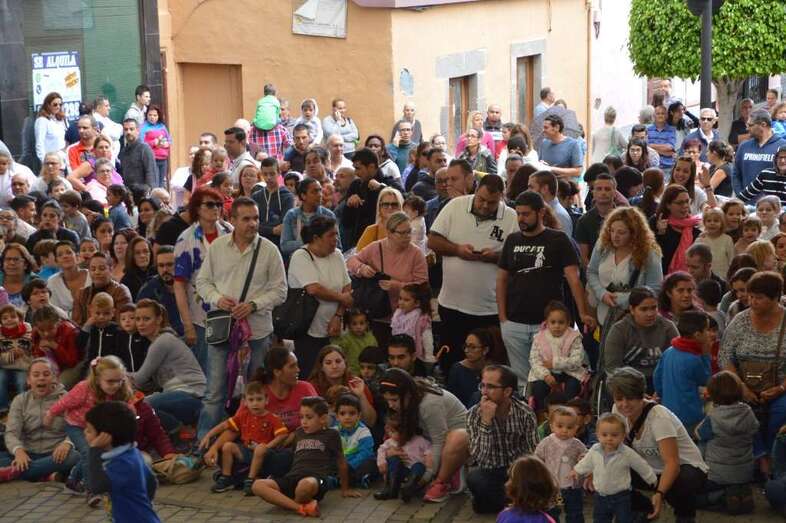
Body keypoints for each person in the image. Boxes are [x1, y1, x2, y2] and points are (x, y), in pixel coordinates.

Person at [194, 197, 287, 438]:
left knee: (257, 390)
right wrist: (218, 299)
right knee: (214, 390)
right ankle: (204, 441)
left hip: (258, 332)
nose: (253, 223)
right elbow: (202, 283)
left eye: (256, 218)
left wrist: (254, 305)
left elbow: (281, 291)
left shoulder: (269, 250)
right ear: (232, 220)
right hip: (222, 329)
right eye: (246, 219)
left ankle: (254, 439)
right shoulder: (217, 248)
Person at [497, 190, 594, 384]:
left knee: (552, 378)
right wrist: (503, 318)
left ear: (541, 212)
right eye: (518, 213)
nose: (521, 218)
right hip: (514, 321)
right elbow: (501, 280)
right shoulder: (512, 239)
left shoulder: (558, 239)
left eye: (526, 214)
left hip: (549, 324)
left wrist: (582, 313)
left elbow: (574, 280)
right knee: (522, 381)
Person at [429, 174, 516, 372]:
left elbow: (517, 257)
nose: (485, 206)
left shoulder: (511, 217)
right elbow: (433, 240)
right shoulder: (455, 206)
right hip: (452, 305)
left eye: (492, 203)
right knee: (451, 362)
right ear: (475, 191)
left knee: (488, 366)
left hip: (489, 309)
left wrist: (495, 257)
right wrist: (457, 250)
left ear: (501, 198)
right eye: (481, 199)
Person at [607, 367, 709, 520]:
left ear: (642, 395)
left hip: (683, 467)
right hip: (651, 467)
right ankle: (642, 509)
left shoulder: (659, 417)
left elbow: (672, 464)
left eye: (631, 398)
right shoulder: (617, 410)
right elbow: (615, 448)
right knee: (610, 471)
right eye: (619, 399)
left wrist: (659, 494)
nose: (625, 404)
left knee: (683, 482)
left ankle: (685, 516)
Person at [45, 355, 134, 503]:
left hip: (96, 428)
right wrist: (50, 414)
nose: (115, 385)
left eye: (119, 380)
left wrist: (130, 416)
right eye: (110, 381)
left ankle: (73, 480)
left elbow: (128, 406)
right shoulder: (84, 388)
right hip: (76, 426)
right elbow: (64, 403)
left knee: (95, 453)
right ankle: (92, 490)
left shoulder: (120, 390)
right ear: (98, 379)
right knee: (89, 451)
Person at [251, 396, 358, 517]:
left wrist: (345, 489)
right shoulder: (299, 433)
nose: (304, 421)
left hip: (317, 480)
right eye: (301, 417)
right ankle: (300, 507)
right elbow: (290, 453)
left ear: (323, 419)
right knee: (257, 485)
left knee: (304, 486)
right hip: (293, 477)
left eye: (309, 417)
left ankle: (287, 503)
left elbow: (341, 461)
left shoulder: (331, 434)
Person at [378, 368, 468, 504]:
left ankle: (442, 480)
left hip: (456, 440)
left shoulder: (429, 403)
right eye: (387, 400)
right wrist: (392, 450)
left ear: (408, 394)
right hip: (431, 439)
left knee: (454, 440)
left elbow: (438, 440)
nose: (390, 405)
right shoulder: (408, 400)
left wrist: (427, 476)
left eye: (394, 400)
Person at [720, 271, 786, 456]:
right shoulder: (740, 320)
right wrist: (741, 386)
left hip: (781, 387)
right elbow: (725, 356)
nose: (752, 302)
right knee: (737, 411)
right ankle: (758, 457)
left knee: (781, 412)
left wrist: (781, 388)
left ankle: (774, 457)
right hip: (743, 384)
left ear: (775, 298)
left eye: (759, 298)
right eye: (751, 296)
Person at [464, 364, 537, 513]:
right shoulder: (473, 414)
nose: (484, 392)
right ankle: (512, 503)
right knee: (475, 479)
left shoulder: (525, 412)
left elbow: (533, 451)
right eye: (482, 385)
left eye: (490, 387)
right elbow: (480, 458)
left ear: (507, 391)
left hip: (518, 470)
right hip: (491, 470)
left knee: (533, 482)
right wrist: (486, 422)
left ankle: (507, 502)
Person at [173, 187, 232, 372]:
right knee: (208, 371)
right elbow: (179, 285)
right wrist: (187, 324)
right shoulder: (186, 239)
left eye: (219, 204)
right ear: (197, 208)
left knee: (231, 370)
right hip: (201, 316)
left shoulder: (230, 231)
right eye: (210, 204)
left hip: (231, 311)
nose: (216, 208)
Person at [348, 212, 428, 346]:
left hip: (405, 317)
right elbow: (351, 261)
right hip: (376, 311)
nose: (407, 237)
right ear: (390, 233)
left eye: (409, 232)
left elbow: (423, 285)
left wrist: (397, 286)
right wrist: (362, 268)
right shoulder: (376, 247)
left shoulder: (416, 254)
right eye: (402, 233)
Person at [288, 217, 352, 378]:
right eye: (331, 235)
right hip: (307, 329)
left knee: (335, 374)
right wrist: (341, 298)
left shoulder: (337, 255)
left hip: (335, 327)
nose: (336, 239)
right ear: (316, 238)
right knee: (311, 375)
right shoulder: (300, 256)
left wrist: (338, 315)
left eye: (336, 234)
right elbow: (314, 289)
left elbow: (347, 287)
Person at [129, 299, 204, 434]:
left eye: (146, 319)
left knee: (142, 406)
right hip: (180, 395)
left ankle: (182, 433)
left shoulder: (163, 341)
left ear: (159, 320)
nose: (140, 324)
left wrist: (118, 373)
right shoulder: (159, 341)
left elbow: (139, 379)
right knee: (140, 406)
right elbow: (147, 383)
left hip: (193, 396)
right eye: (138, 319)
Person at [201, 380, 288, 494]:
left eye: (259, 399)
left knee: (260, 449)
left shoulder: (272, 418)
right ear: (245, 402)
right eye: (251, 400)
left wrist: (267, 446)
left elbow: (283, 434)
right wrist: (208, 435)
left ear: (266, 400)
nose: (255, 403)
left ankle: (250, 480)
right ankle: (227, 477)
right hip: (246, 451)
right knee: (228, 446)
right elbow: (224, 425)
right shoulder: (243, 416)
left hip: (265, 455)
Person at [0, 358, 78, 482]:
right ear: (28, 380)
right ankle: (44, 474)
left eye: (46, 374)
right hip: (27, 454)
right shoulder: (20, 400)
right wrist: (18, 451)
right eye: (36, 375)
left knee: (74, 457)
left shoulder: (67, 398)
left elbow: (78, 427)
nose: (41, 378)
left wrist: (67, 443)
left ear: (54, 378)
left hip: (55, 455)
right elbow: (11, 433)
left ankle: (16, 472)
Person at [571, 412, 657, 523]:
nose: (609, 438)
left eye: (614, 435)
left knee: (624, 519)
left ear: (623, 435)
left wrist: (651, 477)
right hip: (600, 495)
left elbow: (640, 464)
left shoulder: (626, 453)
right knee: (600, 519)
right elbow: (586, 462)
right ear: (597, 435)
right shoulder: (595, 449)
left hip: (621, 496)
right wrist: (577, 470)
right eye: (604, 435)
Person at [84, 401, 161, 523]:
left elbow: (97, 486)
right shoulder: (132, 453)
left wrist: (94, 451)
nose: (84, 433)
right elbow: (151, 482)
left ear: (105, 436)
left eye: (89, 430)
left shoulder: (122, 463)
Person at [587, 206, 663, 326]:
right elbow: (592, 271)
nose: (615, 236)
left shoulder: (649, 253)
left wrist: (622, 300)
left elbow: (655, 287)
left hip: (632, 318)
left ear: (634, 234)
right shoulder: (603, 244)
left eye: (621, 232)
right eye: (611, 230)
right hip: (603, 314)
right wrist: (602, 293)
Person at [695, 371, 759, 509]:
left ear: (713, 395)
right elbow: (755, 429)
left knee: (691, 497)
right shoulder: (748, 411)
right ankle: (740, 492)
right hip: (745, 473)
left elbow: (699, 434)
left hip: (717, 475)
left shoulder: (713, 417)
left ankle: (723, 496)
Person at [653, 310, 712, 429]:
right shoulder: (693, 359)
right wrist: (706, 354)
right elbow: (706, 379)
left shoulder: (669, 352)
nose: (709, 334)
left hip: (667, 411)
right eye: (707, 329)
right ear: (697, 334)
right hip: (689, 415)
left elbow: (657, 377)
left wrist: (662, 396)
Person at [527, 301, 587, 414]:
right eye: (553, 322)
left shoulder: (574, 337)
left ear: (568, 323)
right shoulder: (539, 338)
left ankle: (569, 412)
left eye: (561, 322)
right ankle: (542, 412)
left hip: (569, 372)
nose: (557, 326)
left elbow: (577, 361)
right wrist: (545, 375)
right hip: (546, 373)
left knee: (573, 386)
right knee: (539, 387)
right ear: (546, 322)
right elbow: (534, 360)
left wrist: (555, 363)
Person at [533, 406, 587, 523]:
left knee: (575, 512)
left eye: (569, 427)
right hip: (551, 486)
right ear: (552, 426)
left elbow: (586, 458)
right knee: (550, 512)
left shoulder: (577, 444)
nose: (564, 430)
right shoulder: (546, 442)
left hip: (572, 486)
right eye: (560, 426)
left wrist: (582, 459)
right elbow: (537, 458)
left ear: (576, 428)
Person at [374, 413, 432, 501]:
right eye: (391, 432)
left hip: (415, 473)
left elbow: (429, 448)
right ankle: (391, 489)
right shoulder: (390, 442)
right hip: (401, 470)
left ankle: (409, 488)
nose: (391, 434)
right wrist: (381, 462)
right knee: (394, 459)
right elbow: (381, 450)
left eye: (394, 432)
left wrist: (428, 458)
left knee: (418, 466)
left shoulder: (419, 440)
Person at [280, 178, 338, 260]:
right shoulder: (292, 215)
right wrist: (312, 241)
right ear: (303, 196)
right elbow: (285, 246)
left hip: (324, 261)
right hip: (299, 261)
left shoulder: (328, 215)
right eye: (314, 192)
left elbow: (338, 246)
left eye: (320, 190)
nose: (320, 195)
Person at [71, 252, 132, 327]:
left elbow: (123, 324)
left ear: (111, 269)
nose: (97, 272)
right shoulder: (81, 294)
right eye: (93, 269)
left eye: (102, 269)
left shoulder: (121, 291)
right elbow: (76, 325)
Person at [734, 109, 786, 194]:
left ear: (763, 125)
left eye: (750, 125)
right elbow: (736, 174)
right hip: (747, 200)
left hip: (773, 201)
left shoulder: (782, 146)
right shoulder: (744, 146)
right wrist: (740, 195)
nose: (747, 128)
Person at [650, 185, 700, 274]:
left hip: (688, 276)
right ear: (668, 205)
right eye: (680, 203)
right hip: (660, 274)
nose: (685, 206)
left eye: (687, 201)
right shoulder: (656, 221)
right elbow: (650, 253)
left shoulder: (696, 225)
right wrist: (660, 234)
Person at [332, 392, 377, 488]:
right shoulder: (333, 431)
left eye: (352, 413)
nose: (347, 417)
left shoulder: (363, 431)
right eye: (342, 413)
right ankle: (343, 479)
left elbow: (365, 453)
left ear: (359, 415)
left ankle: (353, 479)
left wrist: (349, 466)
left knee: (370, 463)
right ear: (337, 416)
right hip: (340, 464)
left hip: (355, 464)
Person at [138, 245, 183, 336]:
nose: (165, 269)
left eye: (169, 265)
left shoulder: (190, 285)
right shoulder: (149, 289)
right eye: (161, 266)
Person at [574, 173, 618, 266]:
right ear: (593, 192)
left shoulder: (625, 218)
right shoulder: (584, 221)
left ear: (615, 193)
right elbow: (583, 257)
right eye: (599, 189)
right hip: (594, 270)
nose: (603, 192)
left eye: (607, 189)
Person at [390, 283, 434, 370]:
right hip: (399, 352)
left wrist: (429, 356)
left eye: (406, 300)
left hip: (415, 357)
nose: (401, 302)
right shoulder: (398, 315)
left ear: (417, 303)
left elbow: (427, 339)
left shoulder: (421, 319)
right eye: (400, 298)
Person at [254, 157, 295, 249]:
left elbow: (284, 226)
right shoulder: (256, 196)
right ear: (261, 174)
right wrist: (272, 230)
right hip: (259, 245)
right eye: (265, 174)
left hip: (280, 246)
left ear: (279, 173)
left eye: (272, 174)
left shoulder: (288, 197)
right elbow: (253, 225)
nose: (268, 178)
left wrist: (262, 227)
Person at [446, 328, 490, 408]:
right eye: (466, 346)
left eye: (472, 347)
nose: (466, 350)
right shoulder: (457, 369)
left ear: (485, 350)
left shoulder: (492, 370)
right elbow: (450, 400)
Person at [354, 187, 404, 252]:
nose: (390, 207)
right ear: (379, 207)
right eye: (386, 204)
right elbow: (359, 255)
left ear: (401, 207)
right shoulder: (371, 230)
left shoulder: (409, 231)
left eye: (394, 204)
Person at [331, 309, 377, 375]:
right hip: (352, 373)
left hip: (369, 372)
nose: (358, 327)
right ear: (349, 326)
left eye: (361, 323)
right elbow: (336, 350)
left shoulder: (371, 338)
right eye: (354, 324)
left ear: (367, 324)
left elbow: (376, 353)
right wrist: (335, 337)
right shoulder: (345, 339)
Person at [527, 170, 573, 235]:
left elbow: (562, 241)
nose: (527, 191)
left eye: (531, 187)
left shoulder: (559, 215)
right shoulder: (540, 210)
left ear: (544, 189)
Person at [538, 114, 581, 180]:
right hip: (546, 183)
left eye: (546, 127)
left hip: (564, 184)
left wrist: (552, 169)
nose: (543, 130)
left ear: (557, 128)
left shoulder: (573, 144)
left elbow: (577, 171)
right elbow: (540, 163)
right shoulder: (544, 143)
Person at [118, 119, 157, 191]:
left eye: (131, 129)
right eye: (126, 129)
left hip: (143, 193)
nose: (128, 132)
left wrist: (150, 192)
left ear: (138, 130)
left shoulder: (145, 149)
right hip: (128, 193)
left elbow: (151, 172)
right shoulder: (123, 152)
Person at [697, 207, 735, 279]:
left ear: (722, 223)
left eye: (716, 221)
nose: (712, 223)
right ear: (704, 223)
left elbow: (732, 259)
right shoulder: (701, 240)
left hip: (723, 276)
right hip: (705, 277)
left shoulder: (727, 239)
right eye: (709, 221)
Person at [139, 105, 171, 189]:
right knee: (154, 183)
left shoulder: (162, 126)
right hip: (152, 159)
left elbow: (169, 140)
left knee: (161, 183)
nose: (152, 117)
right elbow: (141, 144)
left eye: (155, 115)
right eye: (150, 115)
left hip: (163, 159)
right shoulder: (143, 127)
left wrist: (166, 144)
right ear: (146, 115)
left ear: (158, 116)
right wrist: (154, 142)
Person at [0, 244, 38, 308]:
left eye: (16, 259)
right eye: (8, 259)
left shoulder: (35, 282)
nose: (12, 263)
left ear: (26, 264)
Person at [34, 92, 68, 163]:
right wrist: (45, 162)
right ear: (48, 105)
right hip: (51, 160)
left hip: (63, 158)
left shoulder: (60, 119)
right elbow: (39, 144)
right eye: (55, 104)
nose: (58, 107)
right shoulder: (42, 121)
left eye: (60, 104)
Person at [119, 236, 154, 301]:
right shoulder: (126, 281)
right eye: (137, 253)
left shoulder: (157, 273)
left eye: (146, 251)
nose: (142, 255)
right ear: (131, 256)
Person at [647, 105, 677, 174]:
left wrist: (651, 146)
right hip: (651, 166)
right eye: (658, 113)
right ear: (654, 116)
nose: (660, 116)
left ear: (666, 116)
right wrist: (666, 152)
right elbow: (646, 147)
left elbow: (670, 147)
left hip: (667, 167)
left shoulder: (672, 130)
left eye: (663, 113)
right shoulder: (647, 130)